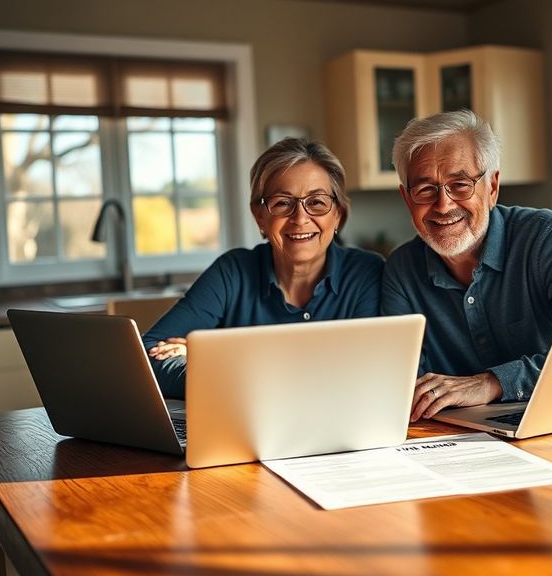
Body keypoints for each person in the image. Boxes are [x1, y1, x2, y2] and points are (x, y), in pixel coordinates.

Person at [382, 110, 552, 422]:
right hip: (461, 438)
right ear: (406, 198)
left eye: (461, 183)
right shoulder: (401, 270)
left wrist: (493, 383)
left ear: (492, 187)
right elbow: (403, 385)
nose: (443, 205)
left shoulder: (547, 237)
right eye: (425, 189)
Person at [144, 137, 384, 398]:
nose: (300, 218)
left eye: (317, 202)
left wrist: (215, 361)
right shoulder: (232, 273)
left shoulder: (367, 273)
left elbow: (365, 374)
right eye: (282, 203)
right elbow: (148, 355)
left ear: (337, 213)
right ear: (260, 216)